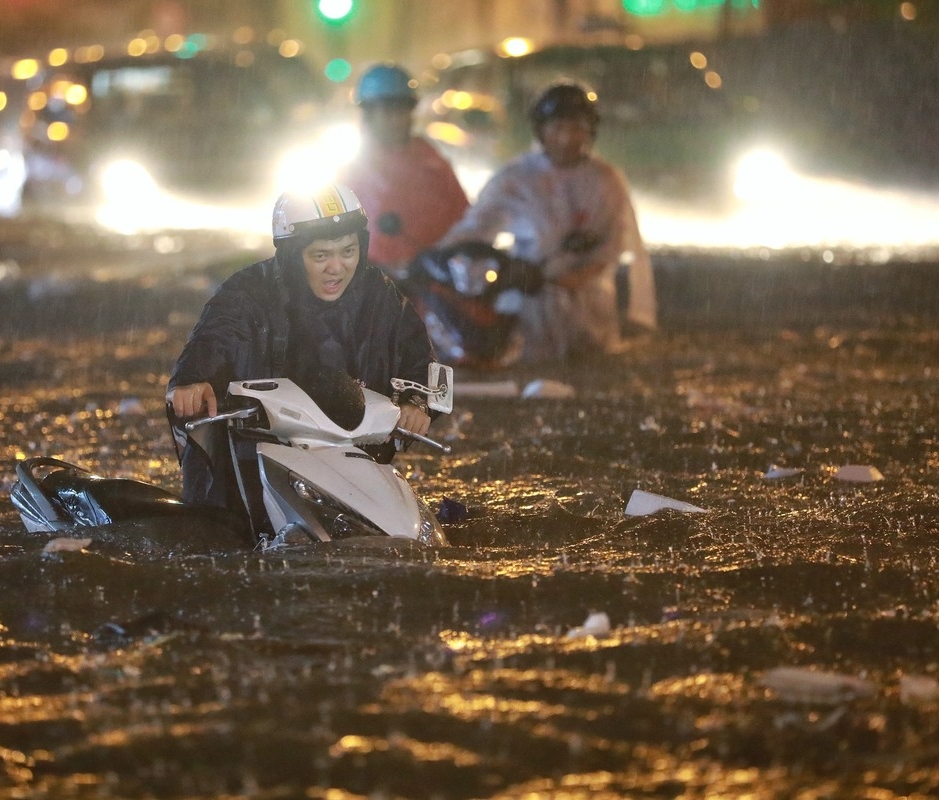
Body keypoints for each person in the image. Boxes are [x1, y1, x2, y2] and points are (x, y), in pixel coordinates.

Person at [167, 183, 435, 526]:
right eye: (321, 255)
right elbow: (214, 337)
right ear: (293, 255)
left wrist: (417, 402)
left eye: (348, 251)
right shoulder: (247, 290)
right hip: (256, 457)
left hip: (354, 455)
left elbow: (421, 357)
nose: (336, 267)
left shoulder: (379, 295)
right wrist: (193, 379)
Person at [439, 80, 656, 362]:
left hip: (590, 314)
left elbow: (614, 243)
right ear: (541, 131)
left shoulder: (605, 181)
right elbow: (474, 232)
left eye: (576, 128)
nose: (567, 140)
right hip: (529, 311)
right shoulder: (518, 178)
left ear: (590, 131)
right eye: (558, 129)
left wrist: (570, 280)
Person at [337, 63, 470, 278]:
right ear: (369, 115)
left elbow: (465, 217)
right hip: (379, 291)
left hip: (439, 282)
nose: (397, 119)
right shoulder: (352, 174)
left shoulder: (431, 160)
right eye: (388, 110)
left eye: (403, 109)